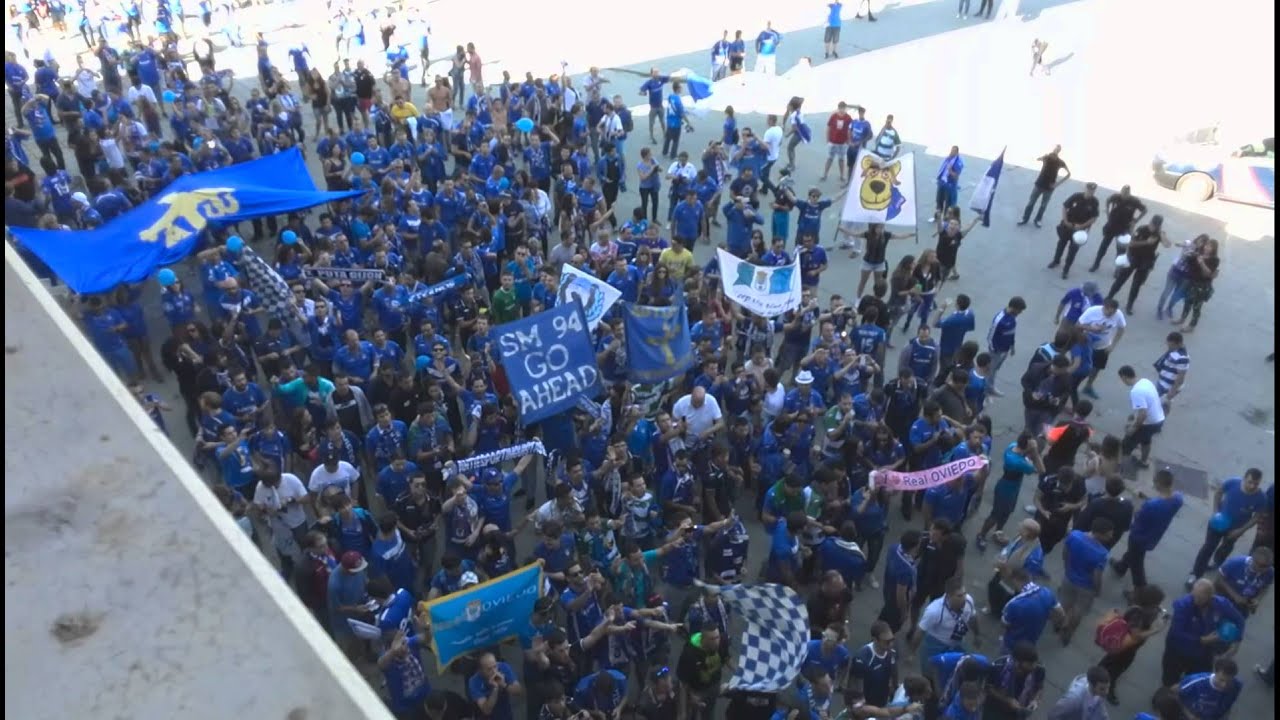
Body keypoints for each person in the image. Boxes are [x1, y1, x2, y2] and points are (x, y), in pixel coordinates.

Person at [1188, 469, 1267, 586]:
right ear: (1244, 478)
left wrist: (1241, 530)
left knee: (1226, 548)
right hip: (1218, 523)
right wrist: (1215, 512)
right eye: (1250, 482)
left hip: (1235, 529)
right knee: (1207, 548)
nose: (1252, 486)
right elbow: (1219, 492)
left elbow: (1256, 517)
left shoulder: (1260, 498)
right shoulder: (1232, 483)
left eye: (1256, 484)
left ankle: (1216, 562)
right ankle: (1196, 574)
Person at [1160, 579, 1245, 686]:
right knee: (1170, 679)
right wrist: (1201, 640)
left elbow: (1239, 620)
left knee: (1197, 681)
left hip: (1204, 653)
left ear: (1210, 596)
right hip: (1178, 650)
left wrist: (1237, 642)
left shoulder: (1222, 604)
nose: (1195, 600)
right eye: (1194, 595)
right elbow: (1176, 633)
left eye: (1200, 598)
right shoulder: (1183, 605)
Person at [1095, 584, 1168, 705]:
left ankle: (1096, 674)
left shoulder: (1143, 607)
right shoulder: (1138, 614)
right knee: (1116, 668)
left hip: (1123, 644)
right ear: (1151, 601)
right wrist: (1156, 629)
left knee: (1110, 660)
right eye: (1158, 602)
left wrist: (1158, 611)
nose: (1158, 605)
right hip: (1126, 646)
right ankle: (1107, 687)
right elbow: (1136, 635)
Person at [1111, 468, 1183, 589]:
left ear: (1159, 484)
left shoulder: (1151, 506)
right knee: (1134, 554)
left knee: (1137, 564)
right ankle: (1121, 566)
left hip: (1139, 536)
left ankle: (1140, 591)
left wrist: (1136, 500)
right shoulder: (1178, 498)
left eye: (1154, 482)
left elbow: (1137, 515)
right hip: (1154, 534)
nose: (1153, 484)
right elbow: (1161, 505)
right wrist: (1145, 499)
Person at [999, 567, 1064, 653]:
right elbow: (1061, 614)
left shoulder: (1014, 604)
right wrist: (1045, 616)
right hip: (1032, 640)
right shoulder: (1046, 592)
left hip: (1012, 643)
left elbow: (1004, 624)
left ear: (1015, 580)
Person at [1046, 182, 1099, 278]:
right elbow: (1065, 207)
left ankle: (1066, 269)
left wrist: (1082, 225)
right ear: (1085, 189)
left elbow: (1094, 218)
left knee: (1073, 251)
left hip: (1080, 230)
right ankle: (1056, 260)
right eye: (1089, 190)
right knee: (1061, 244)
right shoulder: (1076, 196)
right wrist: (1065, 221)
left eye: (1092, 191)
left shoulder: (1094, 202)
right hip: (1068, 226)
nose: (1090, 192)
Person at [1115, 365, 1164, 468]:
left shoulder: (1135, 392)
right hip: (1159, 419)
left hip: (1148, 422)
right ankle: (1144, 461)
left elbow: (1143, 414)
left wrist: (1133, 428)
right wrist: (1133, 415)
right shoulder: (1145, 381)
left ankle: (1118, 467)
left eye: (1121, 379)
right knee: (1146, 440)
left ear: (1124, 377)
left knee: (1126, 445)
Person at [983, 643, 1046, 720]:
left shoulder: (1039, 669)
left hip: (1018, 712)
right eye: (1030, 664)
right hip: (994, 709)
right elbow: (988, 688)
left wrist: (1035, 700)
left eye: (1035, 662)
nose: (1034, 666)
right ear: (1017, 662)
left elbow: (1039, 687)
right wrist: (1007, 700)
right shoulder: (998, 666)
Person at [676, 625, 724, 720]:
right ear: (703, 639)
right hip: (696, 691)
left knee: (709, 714)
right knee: (692, 715)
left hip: (713, 686)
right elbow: (683, 683)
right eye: (712, 639)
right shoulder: (689, 654)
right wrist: (683, 712)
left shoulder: (722, 642)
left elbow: (726, 657)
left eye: (717, 637)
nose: (716, 642)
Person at [850, 620, 900, 708]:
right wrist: (861, 702)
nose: (891, 644)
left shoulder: (893, 651)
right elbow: (857, 683)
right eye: (887, 641)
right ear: (875, 639)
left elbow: (894, 669)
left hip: (883, 696)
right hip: (867, 700)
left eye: (892, 640)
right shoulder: (862, 658)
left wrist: (895, 687)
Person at [1019, 145, 1071, 228]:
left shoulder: (1060, 162)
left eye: (1058, 149)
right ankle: (1025, 218)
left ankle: (1038, 220)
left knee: (1043, 205)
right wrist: (1043, 157)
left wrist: (1057, 184)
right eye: (1056, 149)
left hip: (1049, 188)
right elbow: (1038, 159)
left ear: (1059, 151)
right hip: (1039, 184)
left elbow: (1068, 174)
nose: (1056, 151)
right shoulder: (1047, 157)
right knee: (1031, 202)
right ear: (1053, 149)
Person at [1214, 546, 1274, 616]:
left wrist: (1257, 599)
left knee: (1235, 624)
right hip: (1223, 596)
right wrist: (1234, 595)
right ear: (1253, 560)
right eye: (1262, 566)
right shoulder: (1235, 563)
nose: (1265, 569)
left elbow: (1265, 587)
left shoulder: (1270, 572)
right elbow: (1219, 578)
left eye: (1268, 565)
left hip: (1244, 603)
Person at [1177, 658, 1242, 720]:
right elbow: (1175, 694)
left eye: (1229, 681)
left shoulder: (1237, 686)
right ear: (1215, 672)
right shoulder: (1195, 681)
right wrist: (1191, 717)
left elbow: (1228, 706)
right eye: (1221, 680)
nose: (1224, 685)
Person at [468, 651, 523, 720]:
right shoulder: (474, 681)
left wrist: (504, 685)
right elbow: (486, 710)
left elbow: (519, 691)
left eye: (495, 666)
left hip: (506, 714)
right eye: (489, 669)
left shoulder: (503, 667)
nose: (494, 671)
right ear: (480, 670)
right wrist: (495, 688)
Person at [1045, 666, 1110, 720]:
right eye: (1102, 689)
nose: (1106, 692)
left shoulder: (1098, 694)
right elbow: (1053, 716)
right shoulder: (1074, 700)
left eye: (1108, 687)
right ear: (1091, 685)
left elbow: (1101, 712)